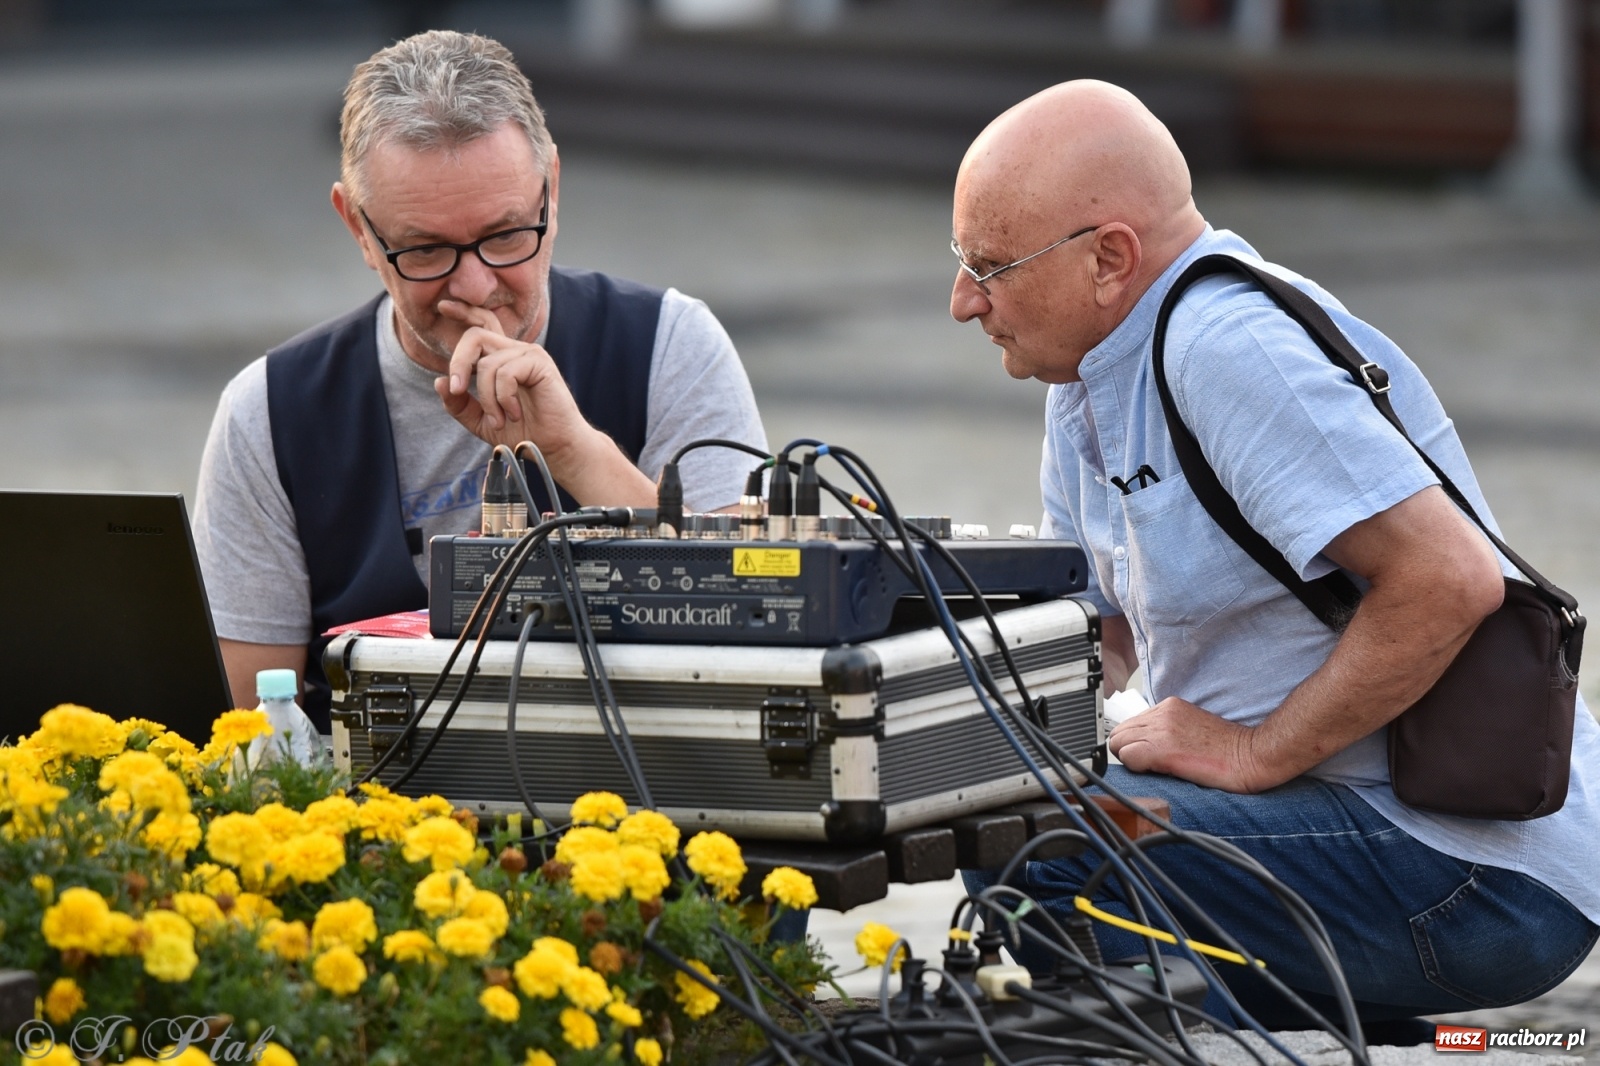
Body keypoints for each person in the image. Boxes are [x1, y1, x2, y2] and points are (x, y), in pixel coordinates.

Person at [951, 80, 1599, 1036]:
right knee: (973, 790)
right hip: (1360, 831)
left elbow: (1448, 581)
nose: (963, 301)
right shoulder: (1088, 365)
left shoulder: (1226, 345)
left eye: (989, 265)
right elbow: (1105, 633)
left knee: (1038, 837)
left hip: (1470, 870)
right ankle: (1319, 1033)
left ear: (1110, 259)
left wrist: (1255, 754)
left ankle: (1217, 1039)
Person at [193, 31, 766, 731]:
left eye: (504, 236)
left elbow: (753, 630)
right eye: (427, 249)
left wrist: (575, 452)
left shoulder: (670, 345)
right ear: (360, 231)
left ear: (552, 192)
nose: (475, 284)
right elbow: (246, 726)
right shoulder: (270, 413)